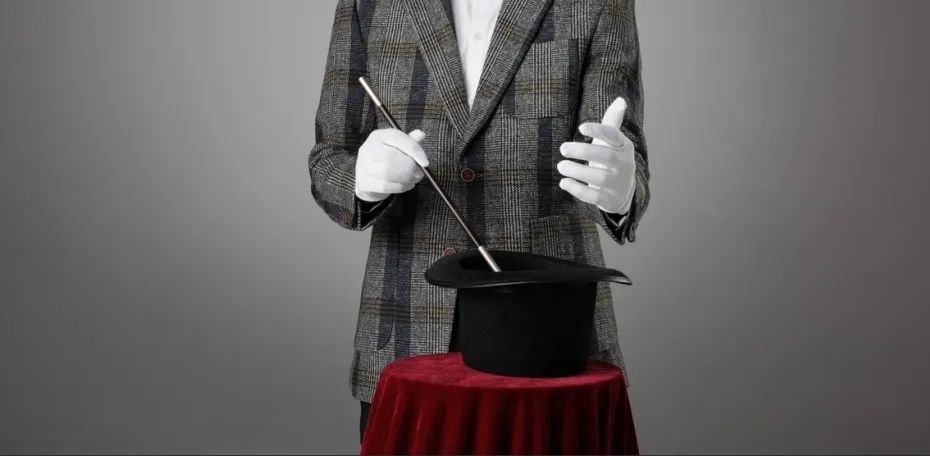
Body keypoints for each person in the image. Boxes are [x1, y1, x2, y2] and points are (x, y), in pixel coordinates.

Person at [307, 0, 650, 443]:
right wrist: (361, 179)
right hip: (406, 326)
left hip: (552, 331)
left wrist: (621, 189)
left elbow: (620, 150)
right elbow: (329, 157)